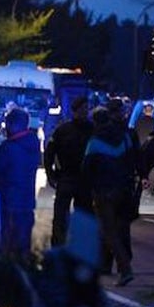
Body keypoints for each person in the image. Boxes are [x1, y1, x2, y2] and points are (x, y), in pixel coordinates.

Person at [82, 106, 139, 286]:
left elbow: (86, 170)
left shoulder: (95, 141)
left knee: (108, 231)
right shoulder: (124, 138)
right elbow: (133, 159)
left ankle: (124, 268)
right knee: (121, 228)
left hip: (103, 191)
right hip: (123, 189)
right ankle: (117, 265)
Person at [0, 107, 41, 257]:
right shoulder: (32, 145)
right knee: (23, 249)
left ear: (11, 125)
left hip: (9, 206)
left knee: (8, 250)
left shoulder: (9, 148)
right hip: (26, 205)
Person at [43, 96, 94, 247]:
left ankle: (75, 246)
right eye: (82, 109)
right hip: (68, 177)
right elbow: (49, 153)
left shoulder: (90, 130)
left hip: (81, 180)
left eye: (86, 109)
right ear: (75, 111)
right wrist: (50, 174)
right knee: (63, 216)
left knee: (79, 216)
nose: (84, 112)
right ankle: (61, 245)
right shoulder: (64, 130)